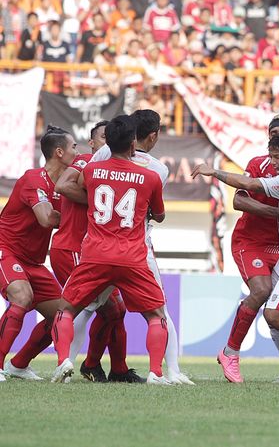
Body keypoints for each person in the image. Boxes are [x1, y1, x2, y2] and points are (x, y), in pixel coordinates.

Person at [192, 131, 279, 384]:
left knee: (274, 313)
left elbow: (248, 185)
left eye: (277, 157)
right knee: (274, 311)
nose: (273, 164)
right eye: (271, 156)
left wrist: (213, 172)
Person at [70, 110, 194, 385]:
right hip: (138, 247)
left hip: (99, 243)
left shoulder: (102, 154)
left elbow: (85, 185)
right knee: (159, 311)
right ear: (153, 135)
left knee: (85, 307)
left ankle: (65, 364)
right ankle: (170, 371)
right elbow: (155, 211)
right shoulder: (158, 170)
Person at [50, 115, 170, 385]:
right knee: (156, 315)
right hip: (132, 257)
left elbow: (80, 189)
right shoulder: (150, 177)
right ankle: (156, 373)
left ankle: (62, 362)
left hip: (95, 254)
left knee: (66, 310)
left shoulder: (92, 171)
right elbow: (159, 216)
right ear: (132, 145)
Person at [216, 115, 279, 384]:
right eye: (274, 133)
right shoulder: (258, 164)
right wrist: (278, 212)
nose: (278, 137)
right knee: (261, 291)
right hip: (251, 243)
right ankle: (230, 353)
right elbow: (239, 200)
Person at [0, 126, 77, 382]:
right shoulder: (34, 178)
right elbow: (46, 218)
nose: (77, 153)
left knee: (62, 315)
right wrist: (73, 217)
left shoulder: (65, 186)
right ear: (59, 152)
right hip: (6, 251)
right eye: (74, 147)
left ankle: (19, 364)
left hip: (34, 262)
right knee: (22, 296)